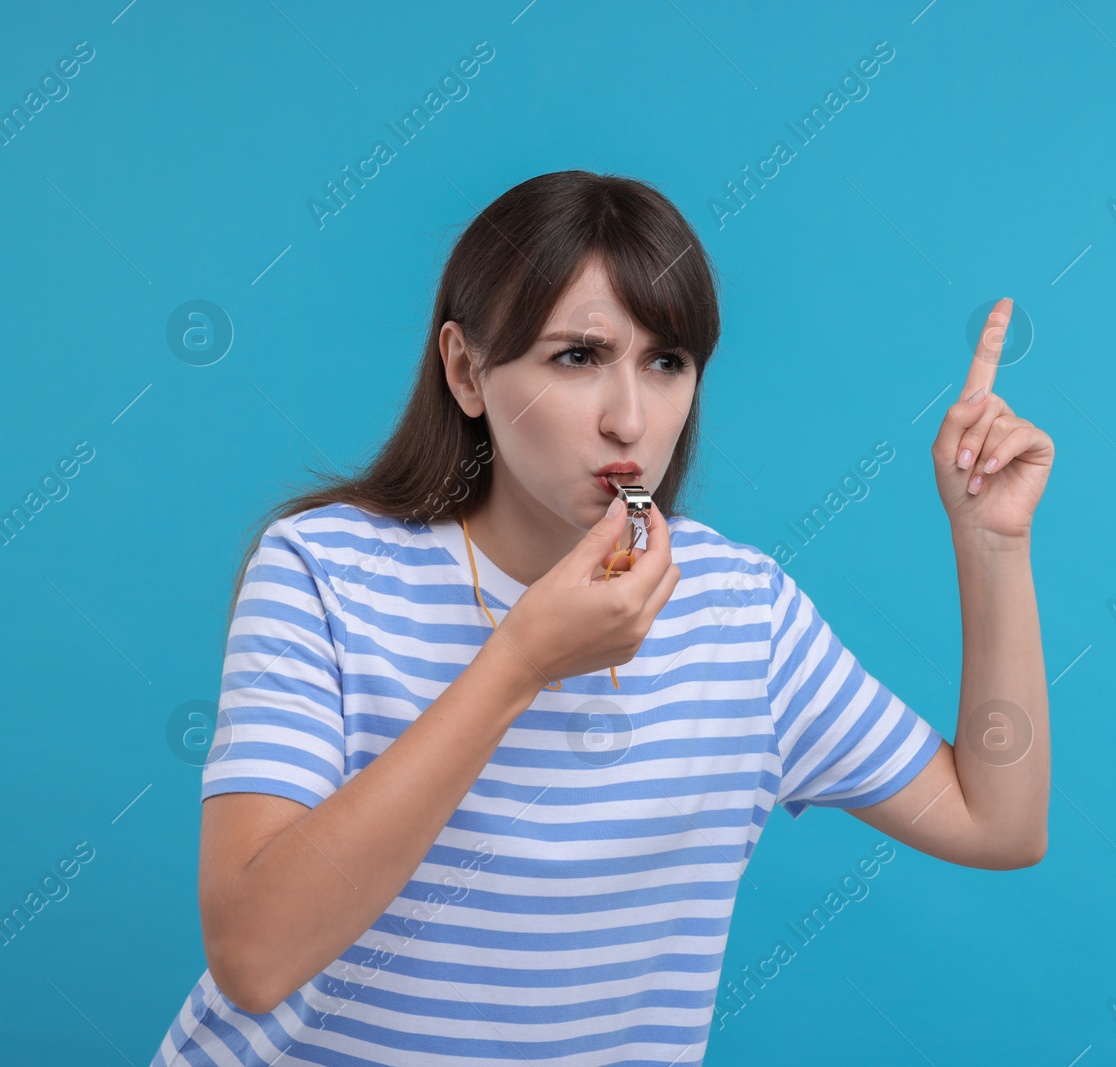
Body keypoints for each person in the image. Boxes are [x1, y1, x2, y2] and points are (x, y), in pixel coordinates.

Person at [149, 170, 1054, 1067]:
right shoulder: (324, 572)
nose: (630, 420)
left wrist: (992, 544)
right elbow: (254, 957)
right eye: (577, 356)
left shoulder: (743, 613)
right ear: (467, 370)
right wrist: (521, 662)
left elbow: (998, 821)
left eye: (667, 362)